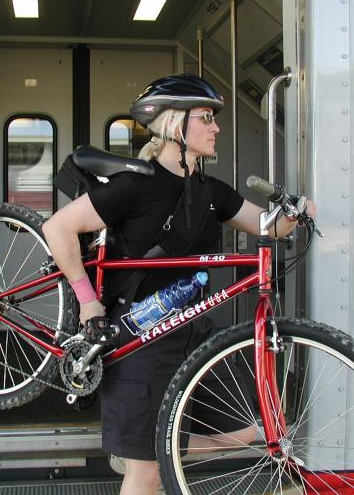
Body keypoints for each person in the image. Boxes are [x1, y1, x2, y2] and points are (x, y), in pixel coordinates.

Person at [42, 73, 316, 495]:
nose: (216, 127)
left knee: (245, 433)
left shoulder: (212, 191)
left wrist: (297, 212)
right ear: (175, 124)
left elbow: (268, 226)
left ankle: (153, 444)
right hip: (142, 337)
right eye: (206, 117)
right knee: (148, 475)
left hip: (196, 332)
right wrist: (88, 302)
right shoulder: (134, 186)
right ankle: (145, 451)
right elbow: (58, 227)